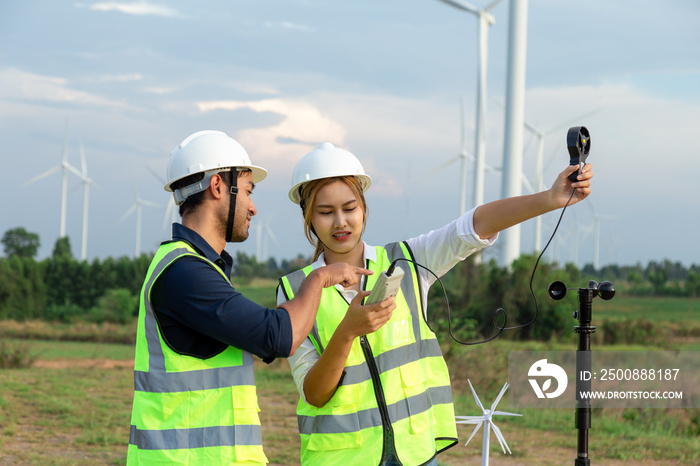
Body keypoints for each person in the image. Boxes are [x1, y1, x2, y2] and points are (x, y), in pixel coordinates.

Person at [277, 142, 594, 466]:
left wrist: (550, 198)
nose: (341, 222)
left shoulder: (409, 261)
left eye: (349, 208)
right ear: (307, 216)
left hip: (416, 453)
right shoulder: (294, 291)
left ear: (364, 207)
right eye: (326, 212)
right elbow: (314, 393)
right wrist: (346, 333)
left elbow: (474, 226)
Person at [127, 131, 372, 465]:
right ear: (217, 187)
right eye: (247, 191)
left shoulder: (194, 268)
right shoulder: (185, 274)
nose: (253, 208)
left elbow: (268, 328)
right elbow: (277, 336)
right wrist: (320, 277)